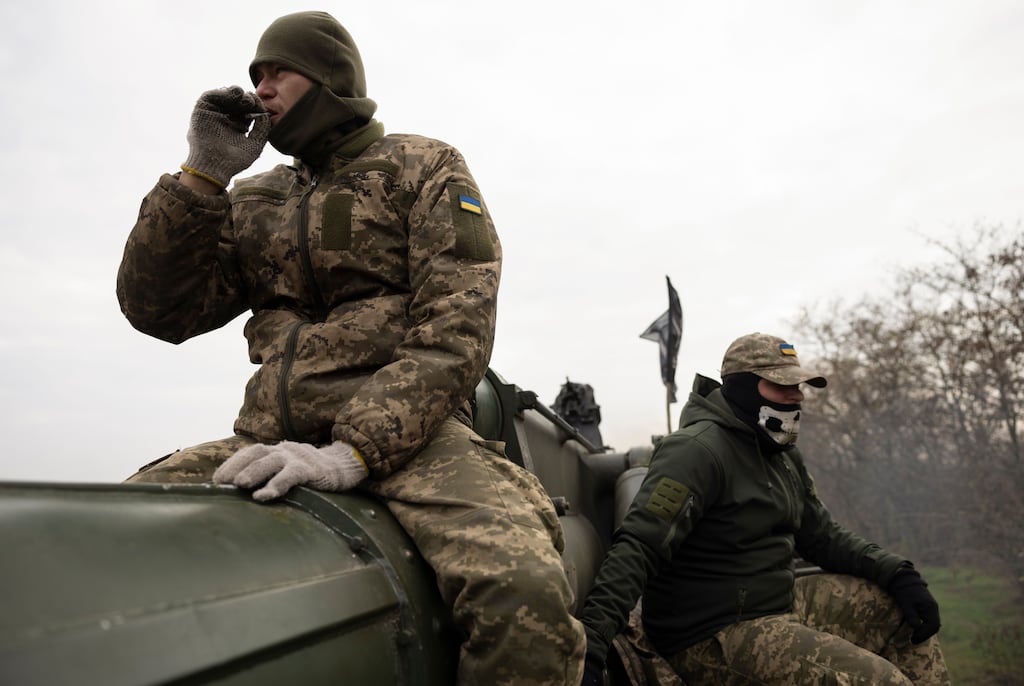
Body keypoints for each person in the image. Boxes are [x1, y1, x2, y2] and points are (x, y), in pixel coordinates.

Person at [116, 11, 585, 686]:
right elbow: (159, 309)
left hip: (416, 443)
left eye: (279, 71)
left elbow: (458, 325)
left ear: (329, 79)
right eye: (255, 75)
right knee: (121, 524)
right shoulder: (254, 199)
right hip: (271, 438)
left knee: (524, 592)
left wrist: (351, 453)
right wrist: (202, 175)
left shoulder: (422, 166)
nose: (260, 88)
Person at [579, 332, 950, 685]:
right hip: (711, 635)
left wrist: (896, 572)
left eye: (798, 386)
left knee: (899, 614)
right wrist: (592, 646)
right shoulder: (697, 451)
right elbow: (639, 547)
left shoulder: (781, 454)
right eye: (781, 386)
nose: (796, 396)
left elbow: (822, 537)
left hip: (778, 606)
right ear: (742, 388)